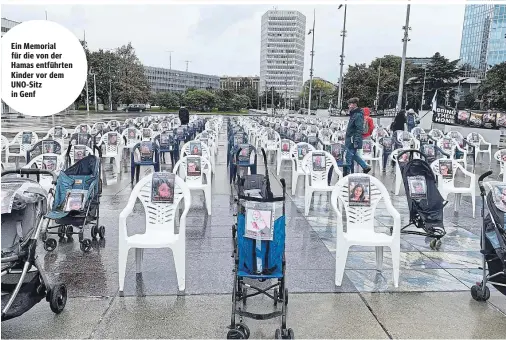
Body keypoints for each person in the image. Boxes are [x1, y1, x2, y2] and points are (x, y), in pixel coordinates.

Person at [344, 98, 371, 176]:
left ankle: (347, 176)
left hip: (353, 140)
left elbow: (359, 129)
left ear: (355, 104)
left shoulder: (358, 115)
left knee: (348, 157)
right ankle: (365, 167)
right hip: (350, 139)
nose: (349, 106)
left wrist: (356, 141)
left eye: (350, 104)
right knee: (353, 155)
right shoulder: (354, 114)